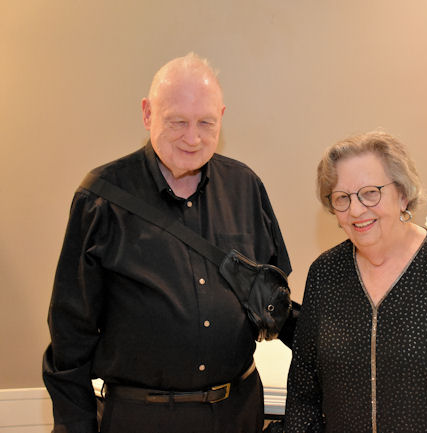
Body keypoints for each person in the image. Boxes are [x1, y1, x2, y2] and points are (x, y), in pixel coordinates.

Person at [42, 53, 292, 433]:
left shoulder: (246, 187)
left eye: (206, 122)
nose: (192, 138)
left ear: (222, 116)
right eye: (178, 122)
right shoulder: (101, 199)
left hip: (238, 411)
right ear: (147, 113)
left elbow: (275, 298)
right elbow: (69, 334)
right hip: (141, 418)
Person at [283, 131, 427, 432]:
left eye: (370, 193)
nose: (356, 210)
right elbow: (303, 392)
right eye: (342, 198)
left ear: (403, 194)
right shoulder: (325, 274)